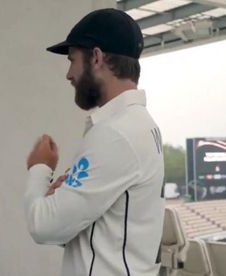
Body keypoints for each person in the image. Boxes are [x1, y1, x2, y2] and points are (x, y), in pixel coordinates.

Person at [24, 8, 165, 276]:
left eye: (72, 60)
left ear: (97, 58)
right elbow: (88, 225)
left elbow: (43, 226)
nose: (69, 74)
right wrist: (65, 200)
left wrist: (39, 168)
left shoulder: (116, 134)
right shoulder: (141, 124)